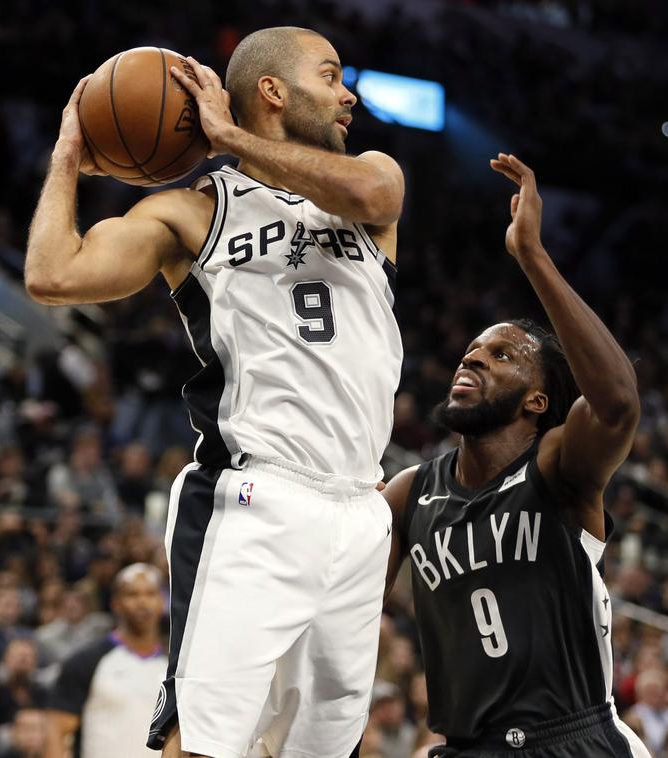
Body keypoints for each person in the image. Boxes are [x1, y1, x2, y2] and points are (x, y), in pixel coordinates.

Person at [25, 25, 403, 758]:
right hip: (256, 498)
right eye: (329, 75)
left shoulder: (368, 188)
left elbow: (374, 187)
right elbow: (53, 275)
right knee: (203, 742)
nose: (347, 92)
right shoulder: (191, 211)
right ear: (273, 90)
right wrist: (69, 154)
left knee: (323, 752)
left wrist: (231, 135)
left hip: (361, 509)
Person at [382, 154, 650, 757]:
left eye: (502, 355)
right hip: (467, 746)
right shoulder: (410, 493)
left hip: (571, 739)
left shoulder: (558, 468)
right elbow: (350, 607)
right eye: (472, 350)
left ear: (538, 400)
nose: (472, 358)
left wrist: (532, 255)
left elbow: (617, 405)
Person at [47, 564, 167, 758]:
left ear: (162, 602)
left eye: (150, 594)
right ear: (116, 603)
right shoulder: (86, 662)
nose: (142, 602)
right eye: (132, 595)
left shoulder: (173, 667)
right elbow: (56, 732)